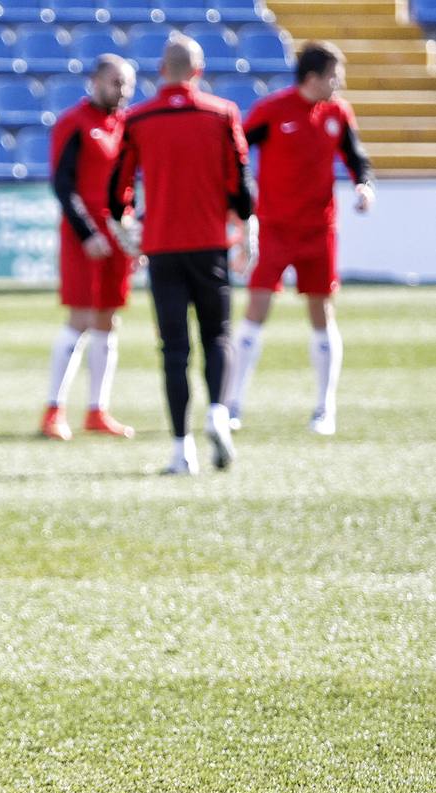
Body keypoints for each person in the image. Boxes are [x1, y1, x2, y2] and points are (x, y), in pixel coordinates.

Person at [109, 36, 255, 475]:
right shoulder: (221, 113)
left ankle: (180, 449)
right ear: (199, 69)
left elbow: (117, 189)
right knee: (217, 335)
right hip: (209, 241)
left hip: (163, 247)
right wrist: (244, 226)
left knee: (174, 348)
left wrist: (129, 225)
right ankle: (216, 413)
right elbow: (241, 186)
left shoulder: (138, 117)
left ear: (161, 69)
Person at [224, 40, 374, 436]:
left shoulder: (338, 112)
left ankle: (325, 409)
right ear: (313, 77)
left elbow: (357, 157)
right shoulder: (273, 110)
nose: (338, 82)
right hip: (274, 228)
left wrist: (364, 185)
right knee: (255, 309)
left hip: (318, 230)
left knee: (322, 315)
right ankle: (232, 404)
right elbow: (236, 150)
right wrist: (237, 201)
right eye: (333, 75)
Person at [42, 54, 139, 442]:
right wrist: (87, 233)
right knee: (80, 320)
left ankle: (98, 410)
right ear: (95, 81)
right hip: (85, 239)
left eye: (128, 83)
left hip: (116, 236)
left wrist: (131, 233)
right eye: (116, 82)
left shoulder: (126, 126)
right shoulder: (74, 123)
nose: (123, 90)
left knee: (108, 320)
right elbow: (63, 185)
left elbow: (127, 187)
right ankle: (53, 409)